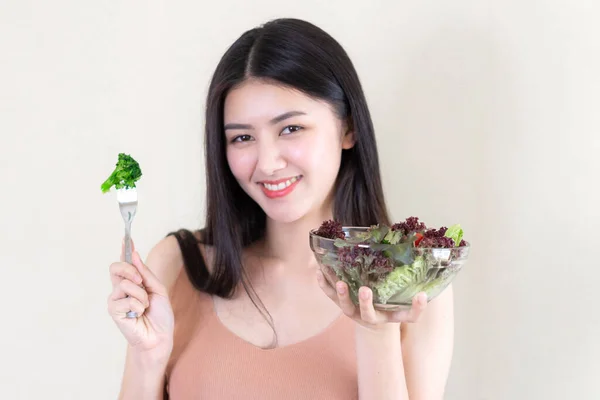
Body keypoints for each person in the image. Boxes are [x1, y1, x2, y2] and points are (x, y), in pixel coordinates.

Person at [107, 17, 454, 400]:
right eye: (242, 137)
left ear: (348, 129)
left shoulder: (414, 278)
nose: (267, 162)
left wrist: (376, 331)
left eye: (290, 129)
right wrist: (147, 358)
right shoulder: (178, 266)